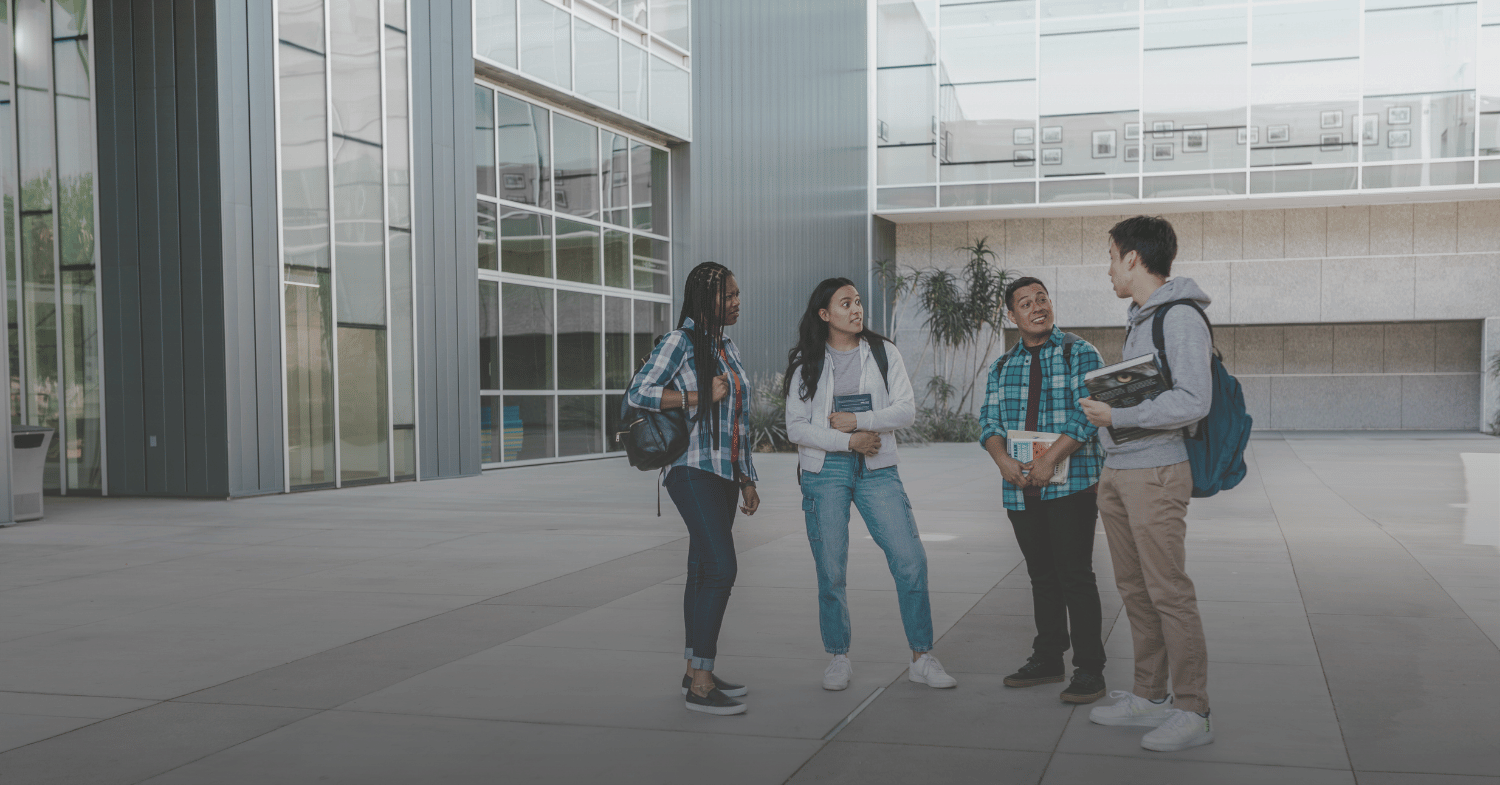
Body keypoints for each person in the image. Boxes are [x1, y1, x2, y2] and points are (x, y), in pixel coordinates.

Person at [1080, 216, 1216, 752]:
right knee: (1135, 591)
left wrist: (1118, 418)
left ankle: (1193, 709)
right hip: (1121, 470)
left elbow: (1193, 401)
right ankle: (1150, 695)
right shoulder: (1142, 317)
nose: (1108, 269)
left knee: (1168, 592)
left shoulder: (1179, 317)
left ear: (1133, 257)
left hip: (1156, 471)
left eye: (1111, 256)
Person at [783, 277, 957, 692]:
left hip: (878, 469)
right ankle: (839, 657)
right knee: (832, 569)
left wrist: (860, 422)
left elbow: (906, 411)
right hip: (825, 472)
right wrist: (849, 441)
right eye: (846, 303)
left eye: (858, 302)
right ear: (825, 314)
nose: (856, 309)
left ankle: (921, 657)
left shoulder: (883, 352)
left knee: (910, 559)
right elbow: (795, 427)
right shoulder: (806, 361)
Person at [626, 262, 760, 716]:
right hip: (690, 468)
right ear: (706, 300)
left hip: (723, 473)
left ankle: (694, 670)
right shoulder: (678, 343)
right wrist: (698, 395)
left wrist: (747, 478)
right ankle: (700, 687)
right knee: (721, 568)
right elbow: (639, 392)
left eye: (738, 294)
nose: (737, 302)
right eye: (729, 296)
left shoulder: (727, 347)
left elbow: (738, 420)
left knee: (704, 570)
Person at [978, 276, 1109, 704]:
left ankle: (1090, 669)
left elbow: (1088, 415)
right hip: (1020, 488)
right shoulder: (1001, 366)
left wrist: (1050, 458)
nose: (1038, 307)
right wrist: (1002, 461)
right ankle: (1048, 657)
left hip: (1071, 484)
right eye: (1025, 303)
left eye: (1043, 299)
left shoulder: (1078, 352)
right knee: (1041, 576)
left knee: (1075, 576)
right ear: (1010, 314)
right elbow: (989, 422)